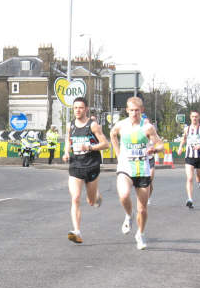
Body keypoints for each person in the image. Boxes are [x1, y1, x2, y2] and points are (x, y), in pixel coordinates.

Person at [110, 96, 164, 250]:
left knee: (143, 209)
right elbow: (112, 135)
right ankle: (128, 215)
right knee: (124, 195)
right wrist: (118, 153)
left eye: (137, 110)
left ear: (142, 111)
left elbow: (161, 146)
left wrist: (154, 148)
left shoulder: (147, 128)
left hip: (142, 169)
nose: (134, 113)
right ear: (127, 110)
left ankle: (140, 233)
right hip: (125, 167)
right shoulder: (120, 125)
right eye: (131, 110)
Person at [62, 97, 109, 244]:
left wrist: (89, 147)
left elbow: (105, 144)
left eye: (81, 107)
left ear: (86, 109)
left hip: (91, 165)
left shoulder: (93, 125)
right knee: (75, 198)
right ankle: (77, 231)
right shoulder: (70, 125)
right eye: (75, 107)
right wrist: (66, 152)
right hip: (75, 165)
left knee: (91, 201)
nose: (77, 110)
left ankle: (96, 196)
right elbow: (68, 140)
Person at [176, 110, 200, 208]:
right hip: (189, 156)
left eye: (196, 116)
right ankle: (190, 199)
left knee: (198, 177)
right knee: (189, 178)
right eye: (193, 116)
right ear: (190, 117)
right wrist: (180, 147)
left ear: (199, 117)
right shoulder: (187, 129)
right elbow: (184, 139)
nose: (194, 118)